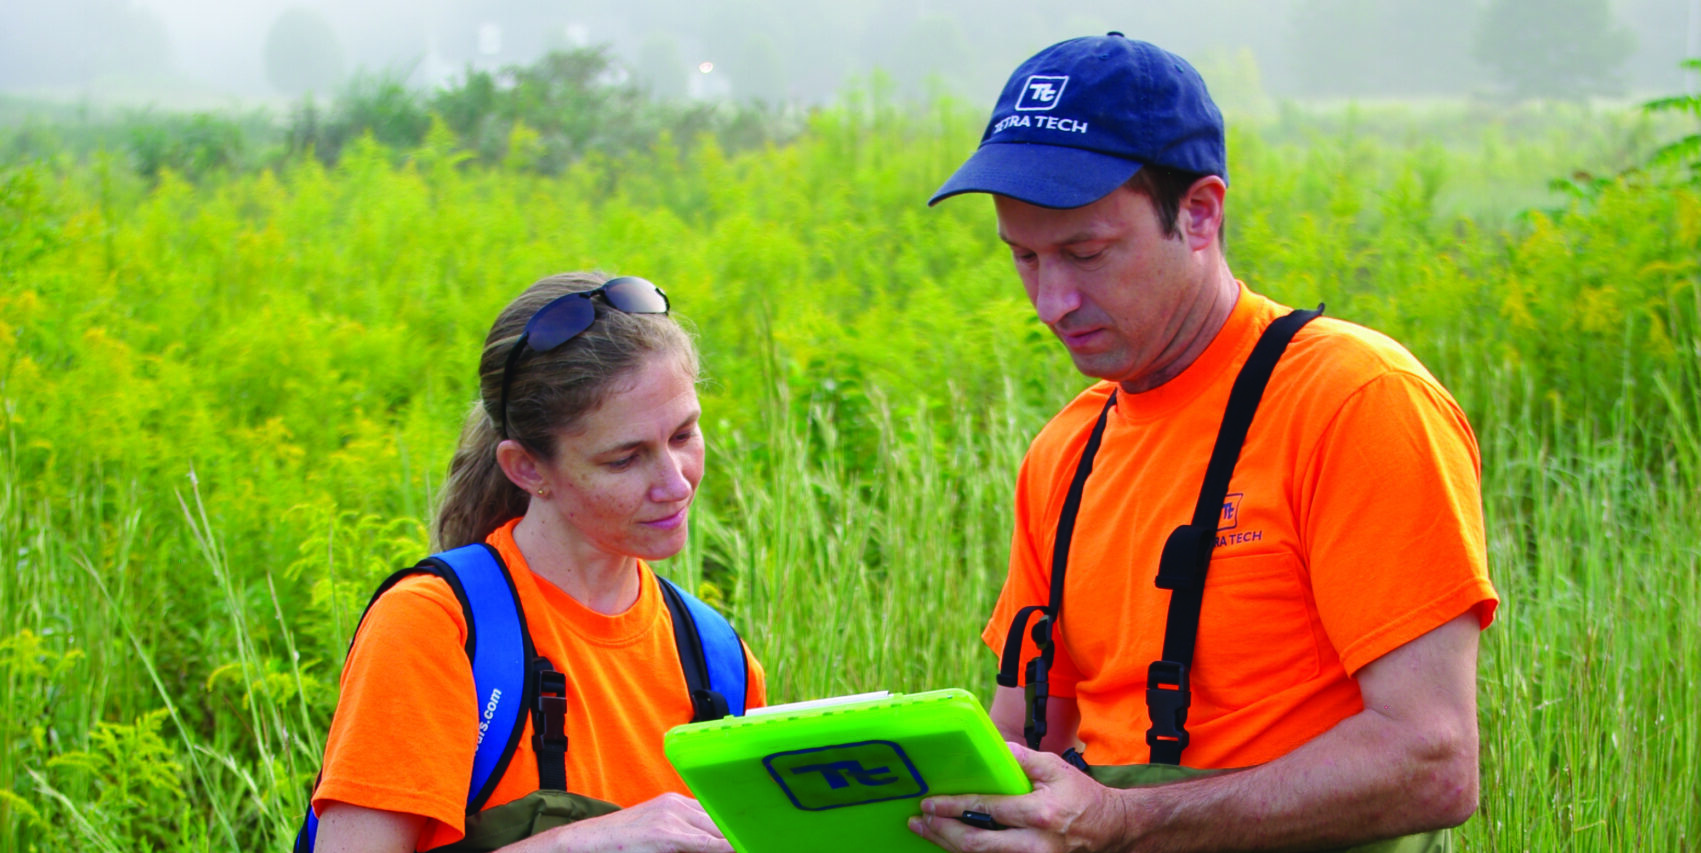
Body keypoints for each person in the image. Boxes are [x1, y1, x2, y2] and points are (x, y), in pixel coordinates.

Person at [910, 34, 1498, 853]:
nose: (1052, 300)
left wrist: (1124, 822)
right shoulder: (1063, 454)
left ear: (1198, 213)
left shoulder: (1354, 401)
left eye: (1086, 253)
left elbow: (1432, 760)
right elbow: (1026, 749)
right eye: (1025, 257)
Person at [308, 271, 764, 852]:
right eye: (625, 459)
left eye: (683, 434)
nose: (675, 483)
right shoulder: (435, 628)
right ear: (526, 469)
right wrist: (591, 843)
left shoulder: (716, 659)